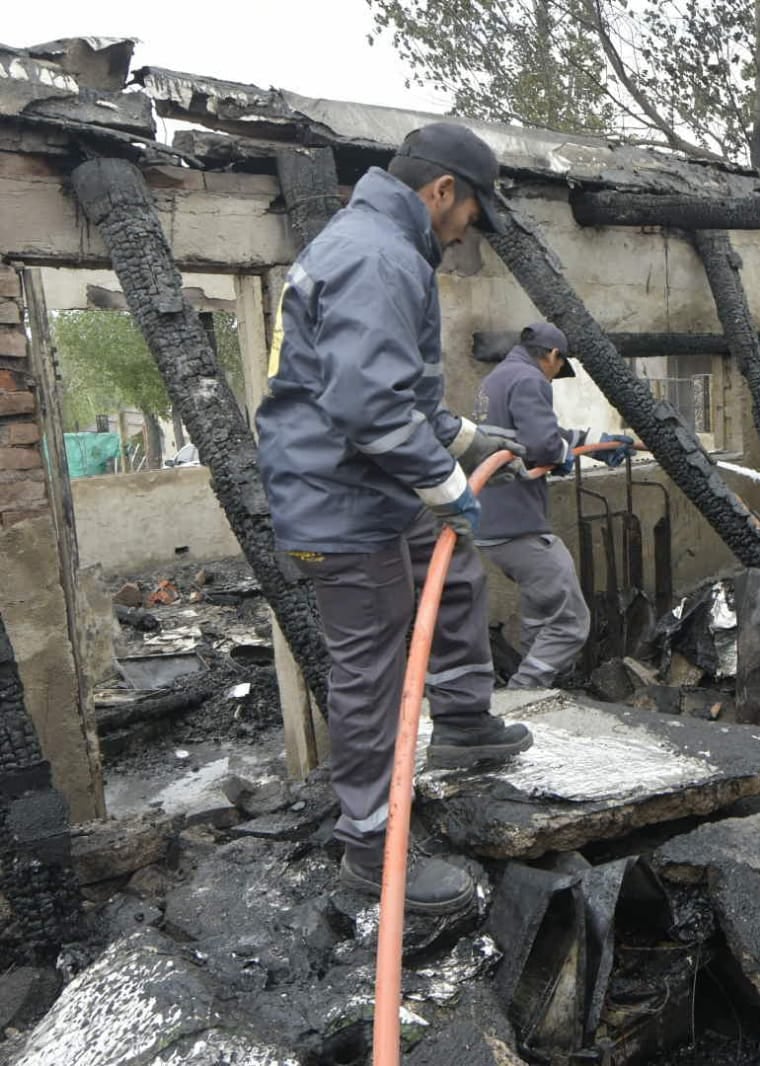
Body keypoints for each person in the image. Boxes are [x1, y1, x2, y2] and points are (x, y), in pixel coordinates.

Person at [256, 123, 536, 916]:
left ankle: (462, 718)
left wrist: (466, 437)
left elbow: (400, 396)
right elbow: (368, 408)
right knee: (371, 674)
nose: (472, 225)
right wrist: (442, 481)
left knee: (451, 573)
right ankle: (372, 848)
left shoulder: (381, 243)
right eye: (473, 208)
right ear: (442, 190)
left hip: (367, 490)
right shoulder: (378, 256)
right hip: (340, 508)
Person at [474, 323, 634, 690]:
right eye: (557, 368)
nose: (554, 375)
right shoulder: (531, 380)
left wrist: (598, 442)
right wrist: (562, 453)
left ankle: (540, 694)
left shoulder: (497, 379)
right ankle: (523, 694)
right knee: (570, 621)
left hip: (491, 522)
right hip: (517, 526)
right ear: (552, 355)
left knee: (540, 615)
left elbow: (539, 435)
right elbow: (544, 446)